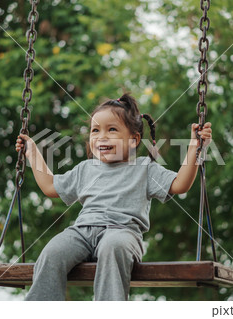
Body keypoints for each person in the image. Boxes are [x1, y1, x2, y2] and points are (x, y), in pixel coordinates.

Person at [15, 93, 212, 301]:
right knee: (52, 252)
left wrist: (195, 147)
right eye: (95, 130)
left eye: (112, 130)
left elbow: (180, 184)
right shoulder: (86, 169)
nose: (101, 137)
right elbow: (49, 186)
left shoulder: (144, 169)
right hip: (81, 233)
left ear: (134, 139)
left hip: (123, 233)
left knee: (112, 246)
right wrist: (32, 153)